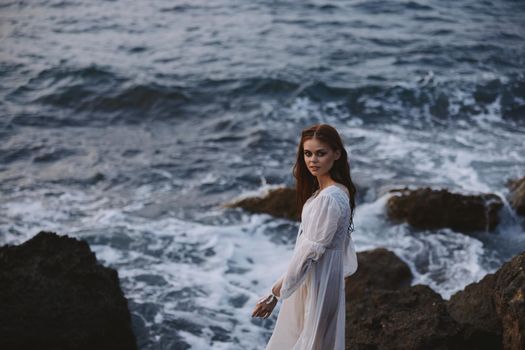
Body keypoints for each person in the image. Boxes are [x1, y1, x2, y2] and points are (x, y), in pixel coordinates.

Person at [251, 123, 359, 350]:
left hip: (317, 280)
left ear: (337, 154)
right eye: (308, 153)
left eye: (321, 153)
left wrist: (274, 294)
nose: (313, 160)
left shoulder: (328, 198)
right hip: (325, 277)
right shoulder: (340, 191)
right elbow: (341, 243)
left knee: (310, 342)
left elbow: (308, 254)